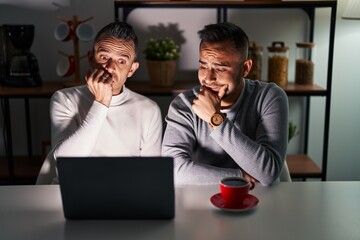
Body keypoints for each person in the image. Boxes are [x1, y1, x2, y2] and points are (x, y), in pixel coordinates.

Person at [162, 22, 289, 186]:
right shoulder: (184, 104)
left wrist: (215, 119)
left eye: (220, 68)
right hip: (202, 201)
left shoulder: (270, 97)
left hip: (259, 200)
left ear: (245, 68)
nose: (208, 78)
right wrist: (239, 177)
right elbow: (173, 170)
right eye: (203, 65)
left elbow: (268, 173)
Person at [37, 22, 162, 184]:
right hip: (72, 191)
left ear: (131, 70)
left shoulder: (148, 109)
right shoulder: (64, 98)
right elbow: (65, 162)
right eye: (104, 57)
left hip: (124, 196)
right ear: (91, 59)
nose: (110, 68)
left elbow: (151, 174)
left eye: (121, 61)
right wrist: (102, 102)